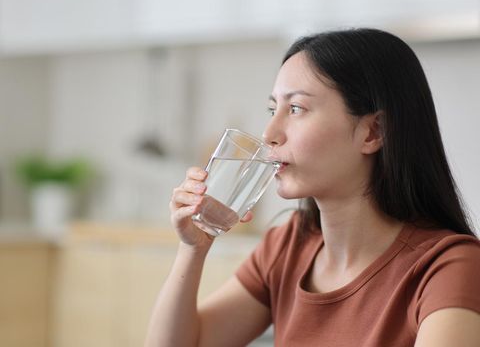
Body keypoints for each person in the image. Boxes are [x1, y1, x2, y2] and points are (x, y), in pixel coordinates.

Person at [144, 28, 480, 346]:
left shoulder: (449, 268)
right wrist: (194, 248)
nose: (269, 133)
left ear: (373, 132)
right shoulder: (288, 246)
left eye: (296, 108)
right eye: (273, 109)